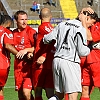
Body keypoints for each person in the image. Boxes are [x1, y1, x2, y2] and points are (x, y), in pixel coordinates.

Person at [43, 8, 98, 100]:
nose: (91, 25)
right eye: (92, 22)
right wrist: (91, 46)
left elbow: (47, 39)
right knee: (73, 95)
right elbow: (82, 52)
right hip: (70, 62)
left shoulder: (62, 24)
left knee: (59, 95)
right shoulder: (81, 29)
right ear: (86, 18)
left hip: (57, 61)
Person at [13, 10, 37, 100]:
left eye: (26, 19)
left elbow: (38, 47)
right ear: (16, 21)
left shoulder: (31, 32)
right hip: (18, 68)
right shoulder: (13, 33)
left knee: (26, 93)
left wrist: (27, 50)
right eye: (22, 19)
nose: (24, 22)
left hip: (29, 68)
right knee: (20, 95)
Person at [32, 7, 55, 100]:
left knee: (38, 91)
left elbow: (51, 41)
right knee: (50, 93)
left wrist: (43, 55)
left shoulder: (42, 27)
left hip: (40, 64)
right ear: (51, 17)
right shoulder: (53, 28)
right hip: (51, 63)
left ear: (39, 16)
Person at [80, 18, 100, 100]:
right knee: (84, 90)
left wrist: (84, 22)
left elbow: (89, 37)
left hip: (97, 61)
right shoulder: (94, 22)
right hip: (86, 61)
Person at [0, 14, 18, 100]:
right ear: (9, 23)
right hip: (2, 65)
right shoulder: (6, 32)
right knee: (0, 88)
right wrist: (19, 54)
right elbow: (7, 45)